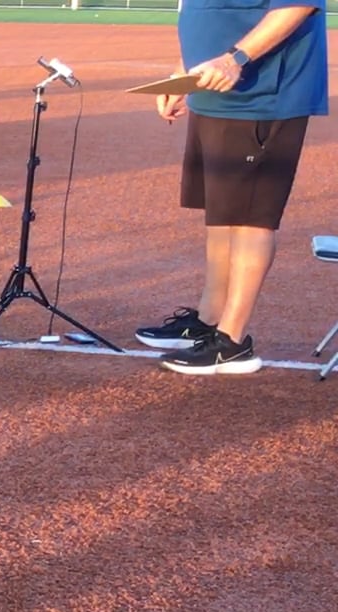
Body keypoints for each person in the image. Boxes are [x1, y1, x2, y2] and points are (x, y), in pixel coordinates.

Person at [135, 0, 326, 375]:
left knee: (251, 218)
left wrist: (234, 59)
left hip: (261, 94)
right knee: (222, 214)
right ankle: (209, 321)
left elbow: (298, 5)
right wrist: (183, 72)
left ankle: (233, 342)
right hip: (215, 92)